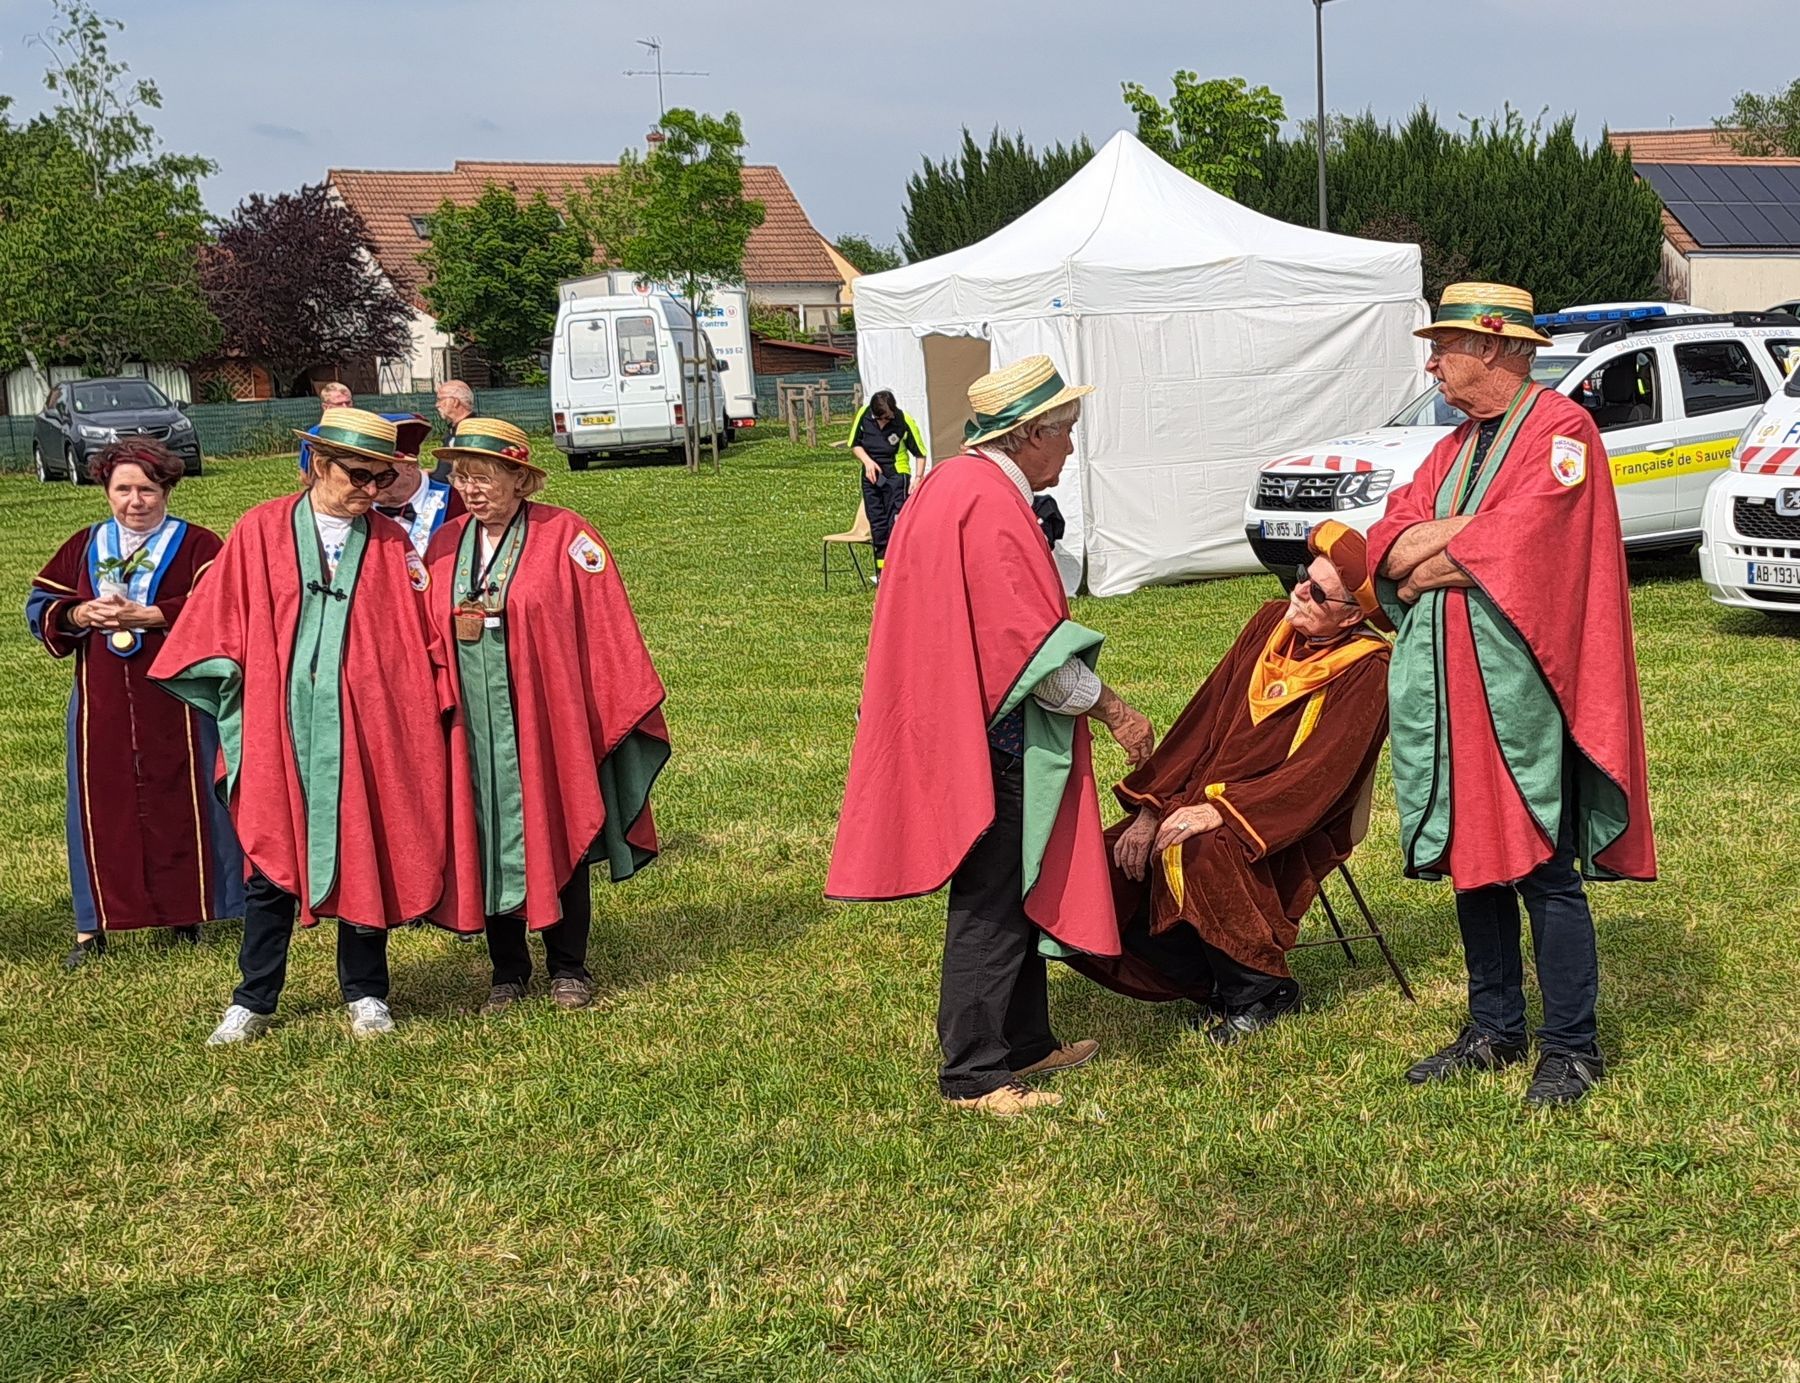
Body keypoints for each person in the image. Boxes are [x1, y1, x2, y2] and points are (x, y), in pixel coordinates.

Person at [827, 355, 1156, 1118]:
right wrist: (1116, 709)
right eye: (1066, 432)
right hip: (993, 739)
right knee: (994, 897)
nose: (1072, 449)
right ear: (1030, 434)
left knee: (1014, 880)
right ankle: (974, 1072)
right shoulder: (991, 505)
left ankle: (1025, 1038)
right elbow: (1030, 653)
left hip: (959, 721)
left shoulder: (953, 484)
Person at [1367, 282, 1657, 1108]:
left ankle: (1572, 1046)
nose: (1433, 360)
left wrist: (1443, 547)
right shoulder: (1453, 447)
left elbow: (1525, 544)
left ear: (1493, 348)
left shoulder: (1563, 434)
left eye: (1445, 344)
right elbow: (1388, 542)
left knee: (1540, 865)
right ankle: (1494, 1028)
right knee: (1474, 862)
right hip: (1454, 690)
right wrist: (1454, 539)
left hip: (1525, 691)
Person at [150, 408, 468, 1044]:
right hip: (280, 728)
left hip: (364, 731)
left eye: (381, 479)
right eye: (358, 475)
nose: (369, 491)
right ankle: (253, 998)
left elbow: (415, 637)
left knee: (362, 849)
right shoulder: (261, 531)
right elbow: (221, 618)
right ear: (320, 464)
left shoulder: (389, 543)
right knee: (269, 863)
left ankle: (367, 992)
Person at [1065, 521, 1391, 1044]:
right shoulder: (1269, 624)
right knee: (1096, 870)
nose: (1299, 590)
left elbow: (1324, 775)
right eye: (1303, 576)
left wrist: (1224, 811)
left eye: (1318, 591)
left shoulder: (1367, 669)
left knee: (1200, 848)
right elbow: (1201, 723)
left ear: (1352, 613)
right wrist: (1152, 809)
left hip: (1287, 822)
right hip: (1194, 801)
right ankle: (1208, 981)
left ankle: (1260, 990)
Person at [425, 419, 671, 1012]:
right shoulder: (441, 543)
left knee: (556, 826)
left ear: (521, 481)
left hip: (545, 721)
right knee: (485, 836)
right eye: (462, 477)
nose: (472, 489)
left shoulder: (566, 536)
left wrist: (597, 710)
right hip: (472, 728)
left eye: (485, 477)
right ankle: (506, 971)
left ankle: (568, 966)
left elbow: (606, 627)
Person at [26, 440, 244, 969]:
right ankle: (93, 924)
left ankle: (184, 912)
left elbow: (225, 607)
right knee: (103, 809)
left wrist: (157, 616)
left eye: (147, 489)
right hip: (100, 702)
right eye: (123, 489)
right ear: (106, 490)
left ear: (166, 489)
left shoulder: (197, 545)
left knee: (181, 799)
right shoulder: (84, 545)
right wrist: (78, 617)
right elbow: (41, 606)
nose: (135, 501)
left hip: (176, 699)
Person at [846, 389, 925, 575]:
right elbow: (854, 444)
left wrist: (918, 478)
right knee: (878, 525)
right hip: (871, 476)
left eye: (889, 418)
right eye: (881, 418)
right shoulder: (864, 415)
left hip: (896, 476)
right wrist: (867, 462)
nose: (885, 422)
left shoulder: (903, 420)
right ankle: (882, 573)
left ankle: (902, 571)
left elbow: (920, 453)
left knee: (895, 525)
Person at [372, 413, 465, 557]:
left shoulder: (458, 503)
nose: (370, 487)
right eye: (364, 475)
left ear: (409, 466)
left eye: (382, 477)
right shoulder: (356, 507)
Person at [298, 383, 353, 476]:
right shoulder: (314, 435)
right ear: (326, 407)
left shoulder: (362, 431)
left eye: (348, 403)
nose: (345, 408)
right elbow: (305, 474)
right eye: (339, 404)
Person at [434, 381, 475, 483]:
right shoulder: (453, 430)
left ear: (455, 402)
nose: (437, 405)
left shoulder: (472, 431)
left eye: (440, 399)